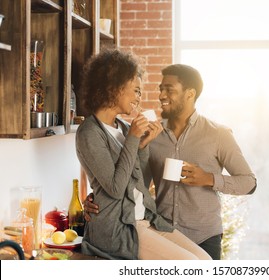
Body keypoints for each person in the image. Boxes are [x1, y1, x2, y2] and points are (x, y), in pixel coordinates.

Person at [85, 63, 257, 260]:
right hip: (161, 231)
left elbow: (249, 183)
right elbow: (133, 182)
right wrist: (96, 199)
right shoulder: (152, 135)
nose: (161, 96)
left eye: (170, 90)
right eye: (161, 89)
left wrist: (209, 178)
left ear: (190, 94)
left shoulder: (218, 134)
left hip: (205, 237)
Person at [76, 49, 211, 260]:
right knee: (191, 264)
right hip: (120, 229)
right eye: (136, 90)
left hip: (144, 217)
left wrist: (142, 145)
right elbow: (115, 188)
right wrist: (133, 138)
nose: (139, 98)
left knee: (205, 261)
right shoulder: (89, 133)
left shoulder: (122, 126)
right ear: (115, 87)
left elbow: (140, 184)